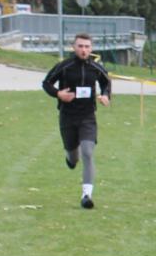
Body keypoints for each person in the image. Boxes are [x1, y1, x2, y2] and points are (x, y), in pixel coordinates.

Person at [41, 33, 111, 209]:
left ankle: (86, 195)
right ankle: (71, 158)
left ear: (91, 49)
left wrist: (105, 95)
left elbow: (106, 82)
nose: (84, 50)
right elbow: (46, 83)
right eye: (80, 46)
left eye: (87, 47)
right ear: (74, 47)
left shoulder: (96, 67)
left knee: (87, 152)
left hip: (87, 117)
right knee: (73, 158)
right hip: (67, 117)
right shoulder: (65, 66)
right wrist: (58, 94)